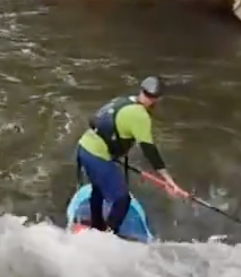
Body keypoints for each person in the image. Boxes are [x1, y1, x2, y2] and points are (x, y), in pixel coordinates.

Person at [74, 75, 187, 235]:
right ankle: (107, 236)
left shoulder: (122, 100)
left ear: (141, 90)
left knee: (98, 189)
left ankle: (97, 226)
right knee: (122, 200)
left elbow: (96, 121)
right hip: (97, 156)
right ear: (158, 99)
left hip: (84, 147)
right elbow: (150, 151)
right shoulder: (140, 116)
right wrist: (169, 180)